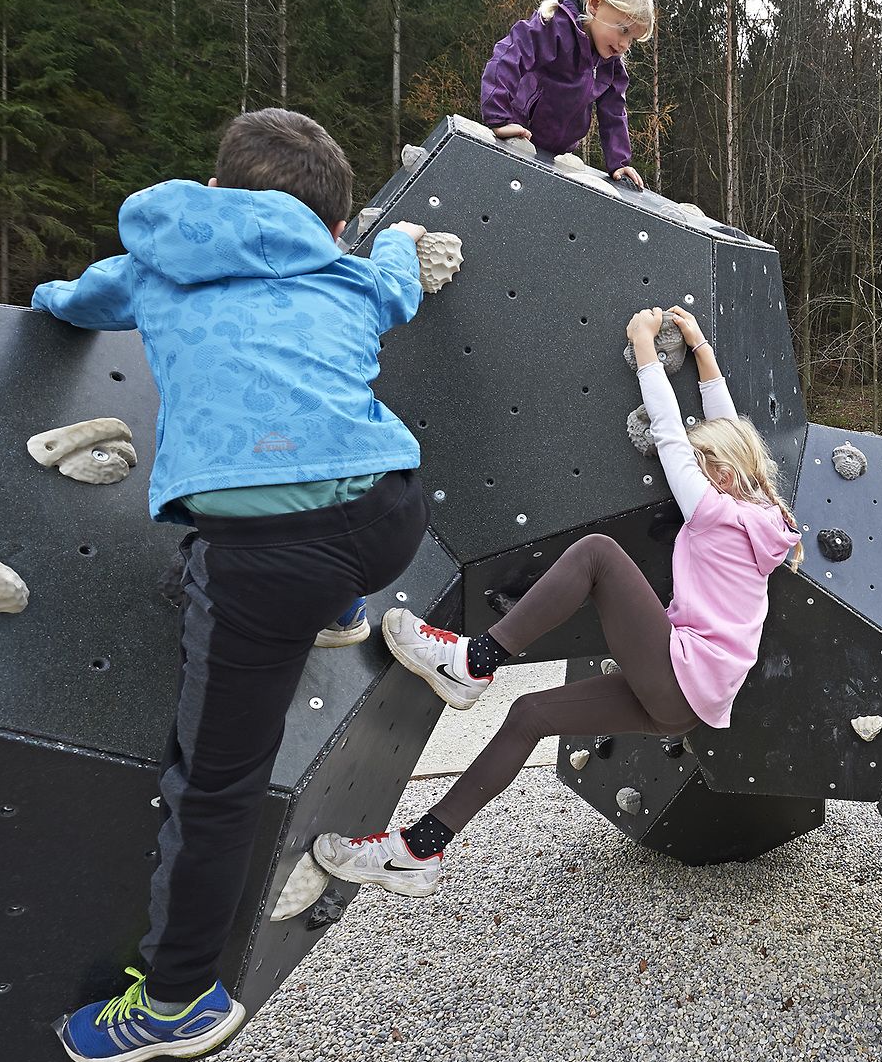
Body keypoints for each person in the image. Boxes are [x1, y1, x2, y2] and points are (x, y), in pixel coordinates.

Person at [33, 108, 433, 1062]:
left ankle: (175, 1000)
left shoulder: (157, 264)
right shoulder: (346, 270)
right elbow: (399, 288)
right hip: (391, 522)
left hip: (265, 557)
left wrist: (41, 299)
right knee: (331, 532)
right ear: (336, 226)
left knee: (213, 785)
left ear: (215, 192)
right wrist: (410, 242)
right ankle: (339, 608)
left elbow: (77, 301)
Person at [313, 304, 800, 890]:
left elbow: (670, 435)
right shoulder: (763, 514)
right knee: (531, 715)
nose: (688, 471)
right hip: (687, 701)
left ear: (718, 473)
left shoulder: (715, 512)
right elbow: (732, 428)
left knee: (597, 554)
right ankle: (420, 849)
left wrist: (646, 347)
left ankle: (476, 662)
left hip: (682, 672)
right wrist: (700, 351)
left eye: (700, 465)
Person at [481, 0, 654, 189]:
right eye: (623, 30)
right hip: (517, 134)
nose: (624, 44)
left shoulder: (610, 64)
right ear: (594, 4)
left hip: (556, 155)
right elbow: (509, 55)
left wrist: (619, 163)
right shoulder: (554, 28)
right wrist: (499, 118)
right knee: (498, 190)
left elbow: (614, 111)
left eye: (631, 39)